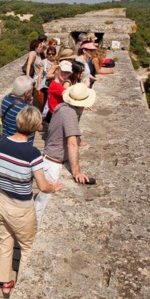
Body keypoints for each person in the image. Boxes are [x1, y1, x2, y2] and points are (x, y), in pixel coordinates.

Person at [0, 106, 64, 296]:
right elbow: (42, 186)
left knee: (5, 240)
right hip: (21, 207)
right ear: (34, 127)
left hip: (1, 201)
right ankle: (24, 287)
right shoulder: (32, 154)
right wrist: (53, 186)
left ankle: (4, 281)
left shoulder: (1, 142)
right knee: (27, 246)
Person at [35, 83, 96, 220]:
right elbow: (72, 144)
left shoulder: (62, 107)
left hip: (48, 158)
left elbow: (64, 132)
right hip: (53, 163)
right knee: (42, 204)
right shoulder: (70, 114)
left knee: (41, 201)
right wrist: (76, 171)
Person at [1, 75, 35, 144]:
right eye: (31, 90)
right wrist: (30, 106)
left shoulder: (6, 99)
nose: (32, 92)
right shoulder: (25, 109)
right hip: (22, 143)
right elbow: (37, 126)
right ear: (26, 93)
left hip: (7, 139)